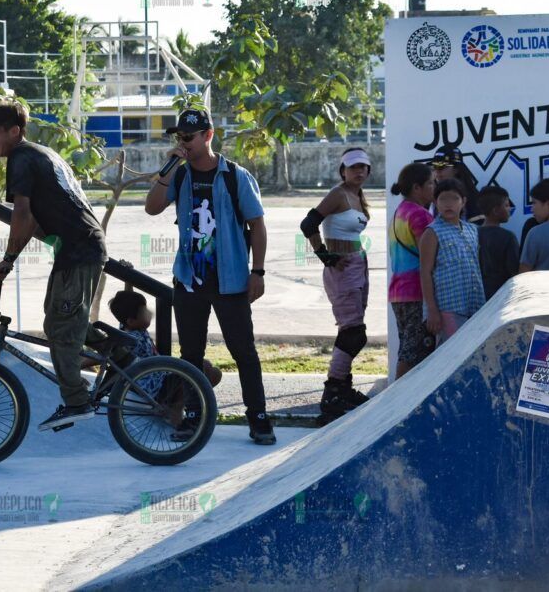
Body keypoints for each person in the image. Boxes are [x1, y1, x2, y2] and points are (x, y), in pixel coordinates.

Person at [144, 107, 275, 445]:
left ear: (208, 135)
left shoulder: (235, 176)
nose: (183, 142)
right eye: (179, 137)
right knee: (190, 353)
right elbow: (152, 206)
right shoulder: (180, 174)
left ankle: (258, 417)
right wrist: (168, 168)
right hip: (189, 278)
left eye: (189, 137)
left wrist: (257, 272)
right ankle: (193, 416)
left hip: (230, 279)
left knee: (243, 350)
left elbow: (258, 226)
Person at [0, 101, 109, 431]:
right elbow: (34, 221)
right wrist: (16, 252)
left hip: (80, 251)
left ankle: (77, 401)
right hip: (77, 249)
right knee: (59, 322)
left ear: (15, 131)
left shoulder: (21, 158)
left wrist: (8, 259)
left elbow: (22, 214)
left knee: (63, 327)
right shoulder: (39, 153)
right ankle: (119, 352)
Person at [300, 147, 374, 420]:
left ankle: (343, 388)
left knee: (353, 329)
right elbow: (308, 223)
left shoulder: (357, 196)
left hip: (357, 263)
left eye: (364, 167)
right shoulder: (338, 193)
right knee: (354, 333)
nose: (359, 171)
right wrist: (325, 256)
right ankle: (332, 391)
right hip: (342, 267)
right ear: (343, 170)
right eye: (353, 167)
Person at [108, 288, 223, 386]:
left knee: (205, 365)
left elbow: (127, 303)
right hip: (157, 385)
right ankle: (177, 406)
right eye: (144, 312)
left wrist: (129, 280)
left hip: (161, 376)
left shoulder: (128, 328)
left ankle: (188, 401)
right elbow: (109, 352)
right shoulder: (132, 339)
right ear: (131, 321)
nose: (149, 313)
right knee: (211, 372)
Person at [419, 179, 485, 345]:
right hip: (447, 308)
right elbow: (425, 272)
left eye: (454, 199)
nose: (448, 204)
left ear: (463, 201)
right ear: (435, 202)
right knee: (451, 355)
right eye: (443, 199)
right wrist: (432, 310)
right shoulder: (432, 232)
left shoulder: (472, 230)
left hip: (474, 304)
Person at [388, 162, 436, 378]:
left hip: (399, 292)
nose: (435, 187)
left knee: (408, 348)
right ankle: (397, 404)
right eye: (431, 183)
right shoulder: (420, 215)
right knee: (413, 352)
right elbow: (429, 257)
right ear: (417, 188)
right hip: (417, 292)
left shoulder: (400, 211)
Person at [477, 185, 519, 300]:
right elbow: (515, 272)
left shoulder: (472, 234)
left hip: (477, 297)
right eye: (506, 205)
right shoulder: (508, 237)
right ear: (495, 210)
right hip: (501, 297)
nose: (509, 208)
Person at [430, 146, 483, 224]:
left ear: (456, 169)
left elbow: (479, 232)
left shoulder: (472, 199)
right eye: (434, 166)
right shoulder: (430, 198)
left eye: (441, 166)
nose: (437, 171)